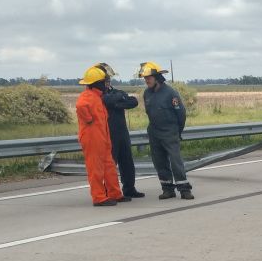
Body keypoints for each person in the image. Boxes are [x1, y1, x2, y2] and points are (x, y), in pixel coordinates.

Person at [137, 61, 192, 199]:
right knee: (159, 161)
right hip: (154, 132)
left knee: (175, 160)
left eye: (148, 78)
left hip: (170, 131)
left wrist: (177, 131)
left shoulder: (170, 93)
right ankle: (167, 188)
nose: (146, 81)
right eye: (145, 78)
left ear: (157, 78)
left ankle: (184, 189)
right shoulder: (147, 93)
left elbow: (181, 114)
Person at [75, 65, 125, 206]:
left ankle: (115, 194)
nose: (106, 84)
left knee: (109, 167)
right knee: (95, 168)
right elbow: (80, 107)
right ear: (97, 83)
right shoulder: (87, 96)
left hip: (103, 138)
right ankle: (99, 197)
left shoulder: (98, 96)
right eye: (104, 81)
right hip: (92, 138)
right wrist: (88, 119)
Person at [97, 63, 143, 198]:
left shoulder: (116, 92)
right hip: (109, 133)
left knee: (127, 162)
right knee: (111, 164)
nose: (108, 83)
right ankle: (109, 191)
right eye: (105, 81)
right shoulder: (99, 95)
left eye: (109, 81)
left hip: (122, 132)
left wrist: (116, 103)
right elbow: (107, 101)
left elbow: (133, 101)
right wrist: (119, 100)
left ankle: (129, 188)